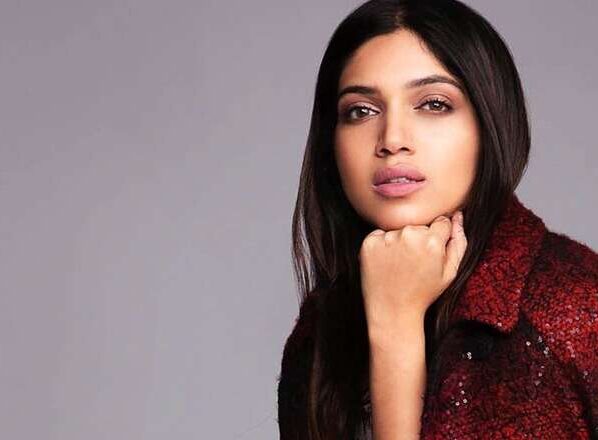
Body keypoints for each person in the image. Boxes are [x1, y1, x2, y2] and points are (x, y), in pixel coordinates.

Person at [276, 0, 598, 438]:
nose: (392, 140)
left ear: (490, 124)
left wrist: (395, 326)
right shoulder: (322, 331)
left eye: (433, 104)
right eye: (361, 111)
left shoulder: (572, 309)